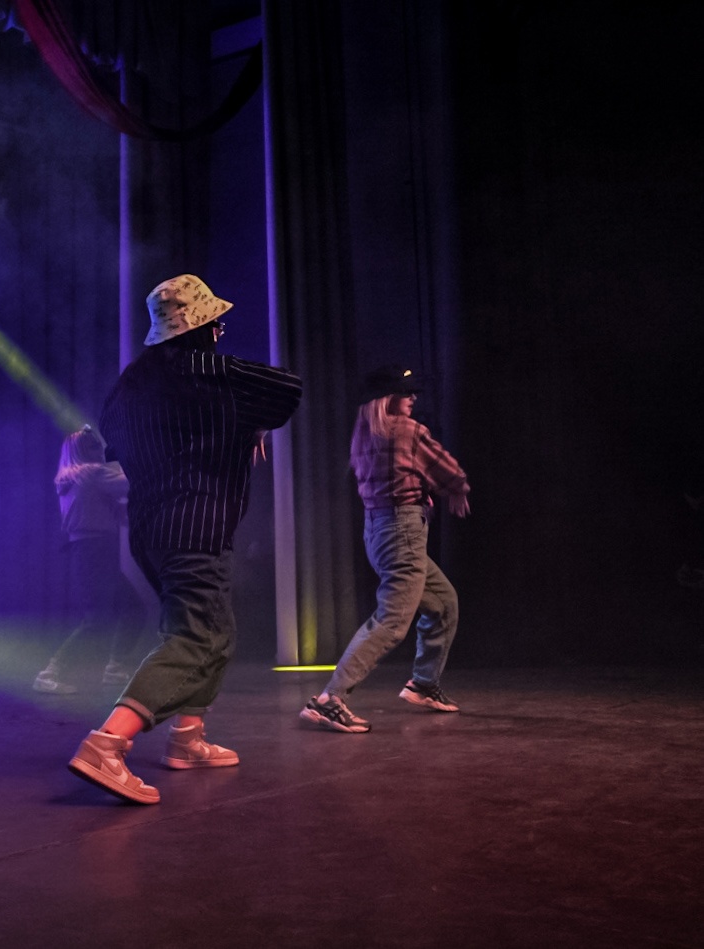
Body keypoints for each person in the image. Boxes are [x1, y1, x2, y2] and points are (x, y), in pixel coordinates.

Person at [67, 274, 301, 804]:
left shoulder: (129, 385)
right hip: (194, 525)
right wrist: (251, 425)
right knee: (197, 639)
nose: (220, 334)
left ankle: (188, 738)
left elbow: (116, 446)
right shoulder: (208, 370)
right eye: (217, 326)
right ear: (204, 329)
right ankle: (107, 743)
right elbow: (288, 388)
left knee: (214, 632)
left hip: (151, 531)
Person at [298, 365, 470, 734]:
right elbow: (448, 469)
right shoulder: (407, 430)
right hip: (403, 531)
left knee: (442, 603)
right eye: (405, 392)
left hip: (378, 530)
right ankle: (329, 699)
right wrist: (458, 488)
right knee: (392, 622)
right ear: (386, 399)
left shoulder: (363, 434)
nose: (413, 397)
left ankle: (423, 684)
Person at [33, 425, 144, 695]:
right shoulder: (91, 473)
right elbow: (133, 481)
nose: (100, 450)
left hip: (90, 550)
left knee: (132, 608)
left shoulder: (72, 478)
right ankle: (50, 673)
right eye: (93, 445)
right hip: (95, 550)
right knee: (97, 620)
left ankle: (115, 667)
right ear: (82, 450)